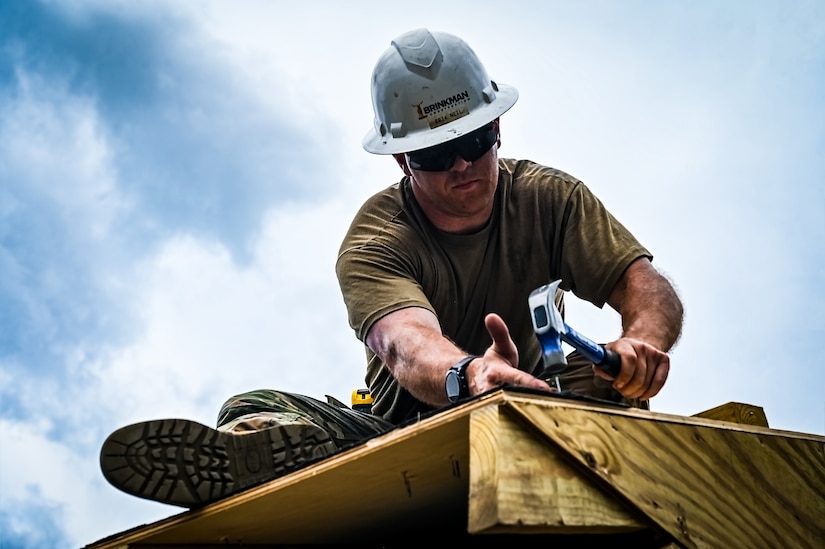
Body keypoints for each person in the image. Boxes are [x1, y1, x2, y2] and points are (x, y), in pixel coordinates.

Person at [99, 28, 683, 508]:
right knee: (250, 407)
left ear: (498, 128)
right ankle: (267, 451)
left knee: (599, 379)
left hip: (538, 411)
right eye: (435, 153)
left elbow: (643, 284)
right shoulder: (375, 240)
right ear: (403, 159)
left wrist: (641, 346)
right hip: (405, 432)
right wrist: (471, 374)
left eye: (477, 140)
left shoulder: (548, 198)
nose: (462, 165)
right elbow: (406, 343)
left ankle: (573, 434)